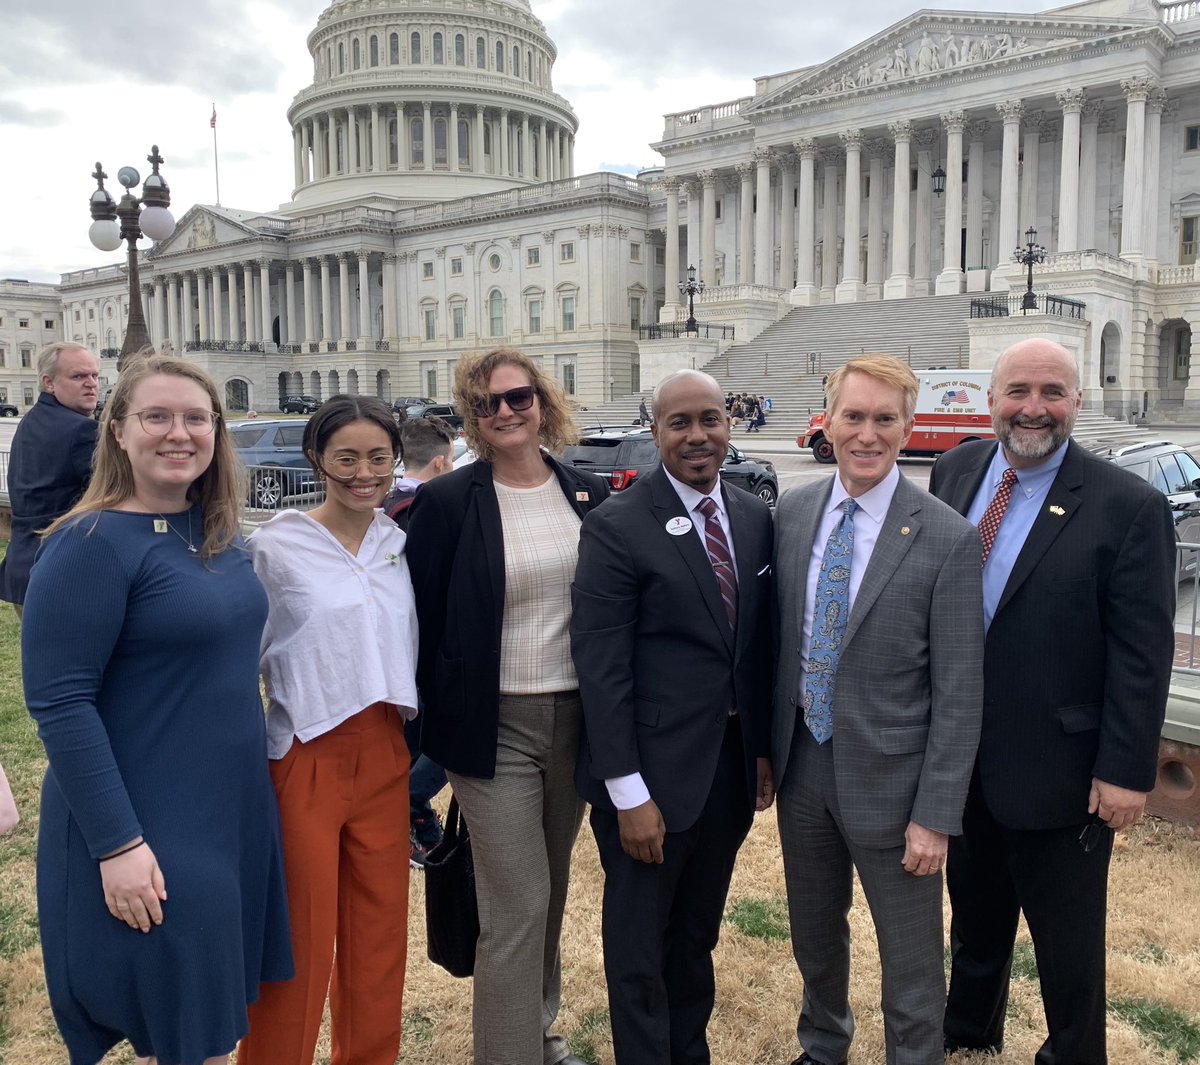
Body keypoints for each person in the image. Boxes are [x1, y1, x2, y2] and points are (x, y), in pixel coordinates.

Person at [21, 353, 292, 1065]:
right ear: (117, 431)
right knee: (183, 1026)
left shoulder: (220, 533)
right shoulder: (87, 544)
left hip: (229, 811)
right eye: (157, 416)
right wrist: (117, 844)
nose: (180, 433)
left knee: (206, 1027)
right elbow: (60, 702)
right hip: (147, 820)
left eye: (196, 417)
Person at [930, 338, 1175, 1065]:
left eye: (1052, 392)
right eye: (1018, 391)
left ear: (1077, 400)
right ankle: (969, 1030)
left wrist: (1127, 770)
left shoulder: (1129, 506)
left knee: (1067, 941)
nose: (1033, 408)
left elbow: (1142, 652)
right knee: (974, 915)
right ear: (990, 398)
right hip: (960, 758)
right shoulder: (956, 469)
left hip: (1062, 768)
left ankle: (1073, 1052)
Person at [771, 354, 984, 1065]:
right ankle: (823, 1042)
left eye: (884, 418)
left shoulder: (946, 536)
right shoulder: (794, 511)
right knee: (814, 931)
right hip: (805, 766)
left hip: (898, 789)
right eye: (853, 416)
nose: (867, 434)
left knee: (912, 959)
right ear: (827, 421)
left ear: (908, 425)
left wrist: (936, 813)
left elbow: (960, 690)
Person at [406, 348, 608, 1065]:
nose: (504, 413)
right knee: (517, 904)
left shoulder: (586, 492)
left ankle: (539, 1032)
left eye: (517, 398)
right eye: (486, 404)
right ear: (473, 416)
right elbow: (418, 621)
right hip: (494, 729)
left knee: (547, 894)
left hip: (577, 721)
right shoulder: (448, 501)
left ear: (542, 402)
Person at [571, 368, 776, 1065]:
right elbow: (602, 669)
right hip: (648, 779)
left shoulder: (752, 517)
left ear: (730, 423)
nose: (698, 435)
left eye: (711, 419)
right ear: (654, 429)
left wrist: (763, 751)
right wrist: (628, 792)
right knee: (639, 949)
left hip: (723, 772)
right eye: (680, 422)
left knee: (695, 937)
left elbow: (754, 649)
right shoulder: (617, 525)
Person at [238, 395, 418, 1065]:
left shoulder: (396, 541)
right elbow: (241, 653)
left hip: (385, 754)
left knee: (377, 937)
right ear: (318, 459)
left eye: (378, 457)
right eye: (347, 457)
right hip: (306, 753)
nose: (363, 472)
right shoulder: (277, 547)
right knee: (298, 942)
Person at [382, 415, 458, 866]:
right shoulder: (430, 509)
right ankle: (410, 807)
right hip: (431, 646)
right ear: (440, 461)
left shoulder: (380, 505)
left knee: (410, 745)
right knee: (448, 741)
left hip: (397, 650)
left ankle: (417, 827)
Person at [0, 342, 100, 618]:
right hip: (63, 571)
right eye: (79, 376)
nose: (91, 384)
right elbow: (114, 497)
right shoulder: (82, 429)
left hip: (23, 567)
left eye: (94, 376)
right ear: (49, 383)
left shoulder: (31, 420)